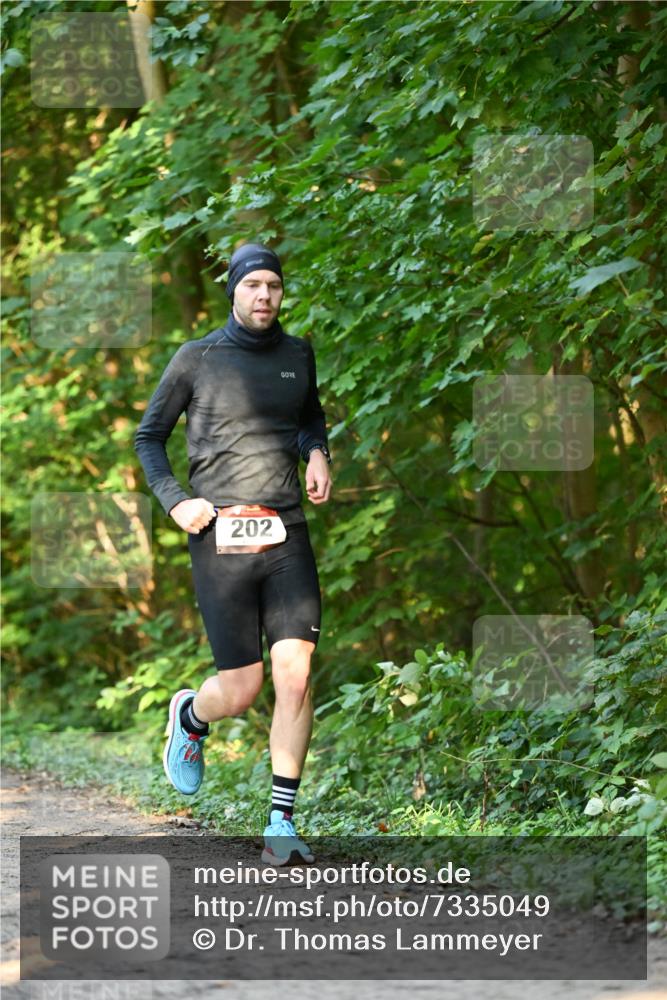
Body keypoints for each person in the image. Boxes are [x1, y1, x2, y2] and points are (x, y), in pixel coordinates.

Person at [134, 242, 332, 864]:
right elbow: (149, 438)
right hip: (218, 532)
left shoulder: (298, 355)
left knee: (296, 675)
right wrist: (175, 501)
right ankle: (192, 716)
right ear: (234, 293)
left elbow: (308, 417)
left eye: (273, 285)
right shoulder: (197, 358)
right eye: (253, 286)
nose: (265, 296)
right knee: (242, 689)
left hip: (286, 529)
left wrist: (317, 452)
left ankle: (280, 821)